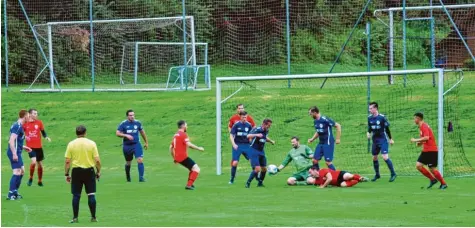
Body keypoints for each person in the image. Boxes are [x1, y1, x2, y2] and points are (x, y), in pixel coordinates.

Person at [65, 125, 101, 223]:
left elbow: (68, 161)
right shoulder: (91, 143)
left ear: (76, 133)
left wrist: (67, 174)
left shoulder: (71, 144)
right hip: (89, 171)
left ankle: (75, 218)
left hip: (76, 171)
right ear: (85, 133)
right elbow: (97, 161)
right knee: (91, 194)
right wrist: (98, 172)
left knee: (76, 195)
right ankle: (93, 217)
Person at [410, 112, 447, 189]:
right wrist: (419, 143)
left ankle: (443, 184)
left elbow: (427, 137)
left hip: (431, 151)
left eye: (414, 118)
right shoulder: (421, 127)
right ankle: (432, 179)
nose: (414, 120)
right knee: (418, 166)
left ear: (418, 118)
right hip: (426, 151)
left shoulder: (424, 126)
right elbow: (425, 140)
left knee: (432, 169)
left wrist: (415, 140)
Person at [170, 120, 205, 190]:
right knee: (196, 169)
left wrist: (174, 158)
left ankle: (190, 184)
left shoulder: (175, 135)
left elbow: (170, 147)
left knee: (192, 169)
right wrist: (198, 148)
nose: (187, 127)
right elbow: (189, 144)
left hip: (178, 157)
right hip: (183, 157)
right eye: (186, 125)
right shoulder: (183, 134)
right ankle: (189, 185)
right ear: (183, 126)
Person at [116, 109, 149, 182]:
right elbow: (117, 133)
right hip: (127, 146)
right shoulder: (123, 124)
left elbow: (142, 132)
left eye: (133, 115)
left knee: (140, 160)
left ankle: (141, 178)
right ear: (127, 116)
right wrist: (125, 135)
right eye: (130, 115)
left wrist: (146, 142)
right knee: (128, 163)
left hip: (136, 144)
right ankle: (128, 177)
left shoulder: (137, 123)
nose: (132, 117)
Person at [367, 102, 397, 182]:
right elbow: (370, 127)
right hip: (375, 140)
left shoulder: (382, 118)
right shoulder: (369, 118)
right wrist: (368, 133)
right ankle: (377, 174)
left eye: (371, 108)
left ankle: (393, 174)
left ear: (375, 108)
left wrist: (390, 139)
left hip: (383, 139)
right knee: (374, 157)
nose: (369, 110)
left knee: (385, 157)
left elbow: (387, 129)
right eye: (369, 108)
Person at [6, 109, 32, 200]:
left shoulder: (19, 126)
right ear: (25, 116)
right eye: (28, 116)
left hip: (17, 151)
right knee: (17, 172)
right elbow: (11, 141)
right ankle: (10, 194)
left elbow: (17, 141)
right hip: (14, 152)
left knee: (22, 171)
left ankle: (15, 191)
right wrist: (14, 153)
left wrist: (24, 147)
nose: (29, 117)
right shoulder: (17, 126)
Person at [23, 108, 51, 187]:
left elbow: (43, 131)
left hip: (39, 147)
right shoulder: (25, 123)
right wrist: (23, 137)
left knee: (40, 165)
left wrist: (46, 137)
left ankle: (39, 180)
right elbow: (21, 133)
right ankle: (31, 178)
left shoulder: (39, 123)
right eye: (35, 113)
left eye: (36, 113)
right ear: (30, 114)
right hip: (30, 147)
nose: (36, 115)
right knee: (33, 162)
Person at [307, 106, 341, 171]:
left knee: (328, 162)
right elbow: (318, 131)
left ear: (315, 112)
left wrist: (338, 139)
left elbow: (338, 126)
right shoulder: (315, 121)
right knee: (314, 160)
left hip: (328, 142)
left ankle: (336, 177)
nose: (310, 115)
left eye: (310, 114)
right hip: (321, 143)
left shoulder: (325, 119)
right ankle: (317, 176)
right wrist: (312, 139)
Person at [245, 118, 275, 188]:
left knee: (264, 169)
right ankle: (248, 183)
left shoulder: (266, 130)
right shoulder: (257, 129)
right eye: (268, 125)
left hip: (261, 151)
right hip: (253, 150)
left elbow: (264, 138)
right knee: (257, 169)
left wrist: (271, 141)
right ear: (264, 124)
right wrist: (257, 135)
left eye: (270, 126)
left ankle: (260, 183)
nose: (269, 127)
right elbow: (248, 136)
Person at [229, 111, 253, 184]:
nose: (244, 119)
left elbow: (250, 135)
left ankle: (257, 178)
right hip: (237, 145)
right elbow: (231, 135)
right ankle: (232, 179)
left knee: (252, 161)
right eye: (243, 117)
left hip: (246, 145)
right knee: (235, 162)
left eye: (245, 117)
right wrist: (233, 144)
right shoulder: (236, 125)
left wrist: (251, 143)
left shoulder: (249, 125)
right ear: (240, 117)